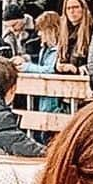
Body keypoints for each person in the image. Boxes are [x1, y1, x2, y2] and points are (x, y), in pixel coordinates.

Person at [25, 10, 67, 141]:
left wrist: (27, 67)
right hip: (44, 99)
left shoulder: (59, 49)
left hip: (54, 101)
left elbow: (50, 69)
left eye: (42, 30)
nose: (39, 34)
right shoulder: (45, 49)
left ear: (51, 30)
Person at [56, 0, 93, 75]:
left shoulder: (92, 32)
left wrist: (77, 69)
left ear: (83, 9)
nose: (72, 11)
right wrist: (58, 66)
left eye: (75, 7)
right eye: (68, 8)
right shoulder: (63, 34)